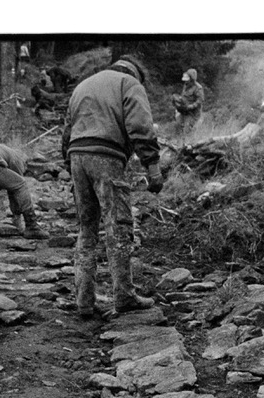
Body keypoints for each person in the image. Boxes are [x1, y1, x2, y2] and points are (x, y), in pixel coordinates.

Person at [62, 55, 163, 319]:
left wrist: (70, 166)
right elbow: (140, 126)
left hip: (77, 157)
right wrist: (152, 167)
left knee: (87, 230)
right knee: (117, 227)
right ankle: (124, 296)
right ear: (136, 73)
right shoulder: (129, 84)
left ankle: (84, 300)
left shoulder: (83, 86)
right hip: (106, 156)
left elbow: (66, 132)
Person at [171, 68, 205, 138]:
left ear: (192, 79)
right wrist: (178, 102)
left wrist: (190, 106)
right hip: (184, 111)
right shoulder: (186, 85)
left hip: (192, 113)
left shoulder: (198, 88)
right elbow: (184, 96)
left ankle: (187, 144)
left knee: (187, 130)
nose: (186, 81)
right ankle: (178, 143)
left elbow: (200, 101)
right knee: (178, 126)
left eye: (188, 79)